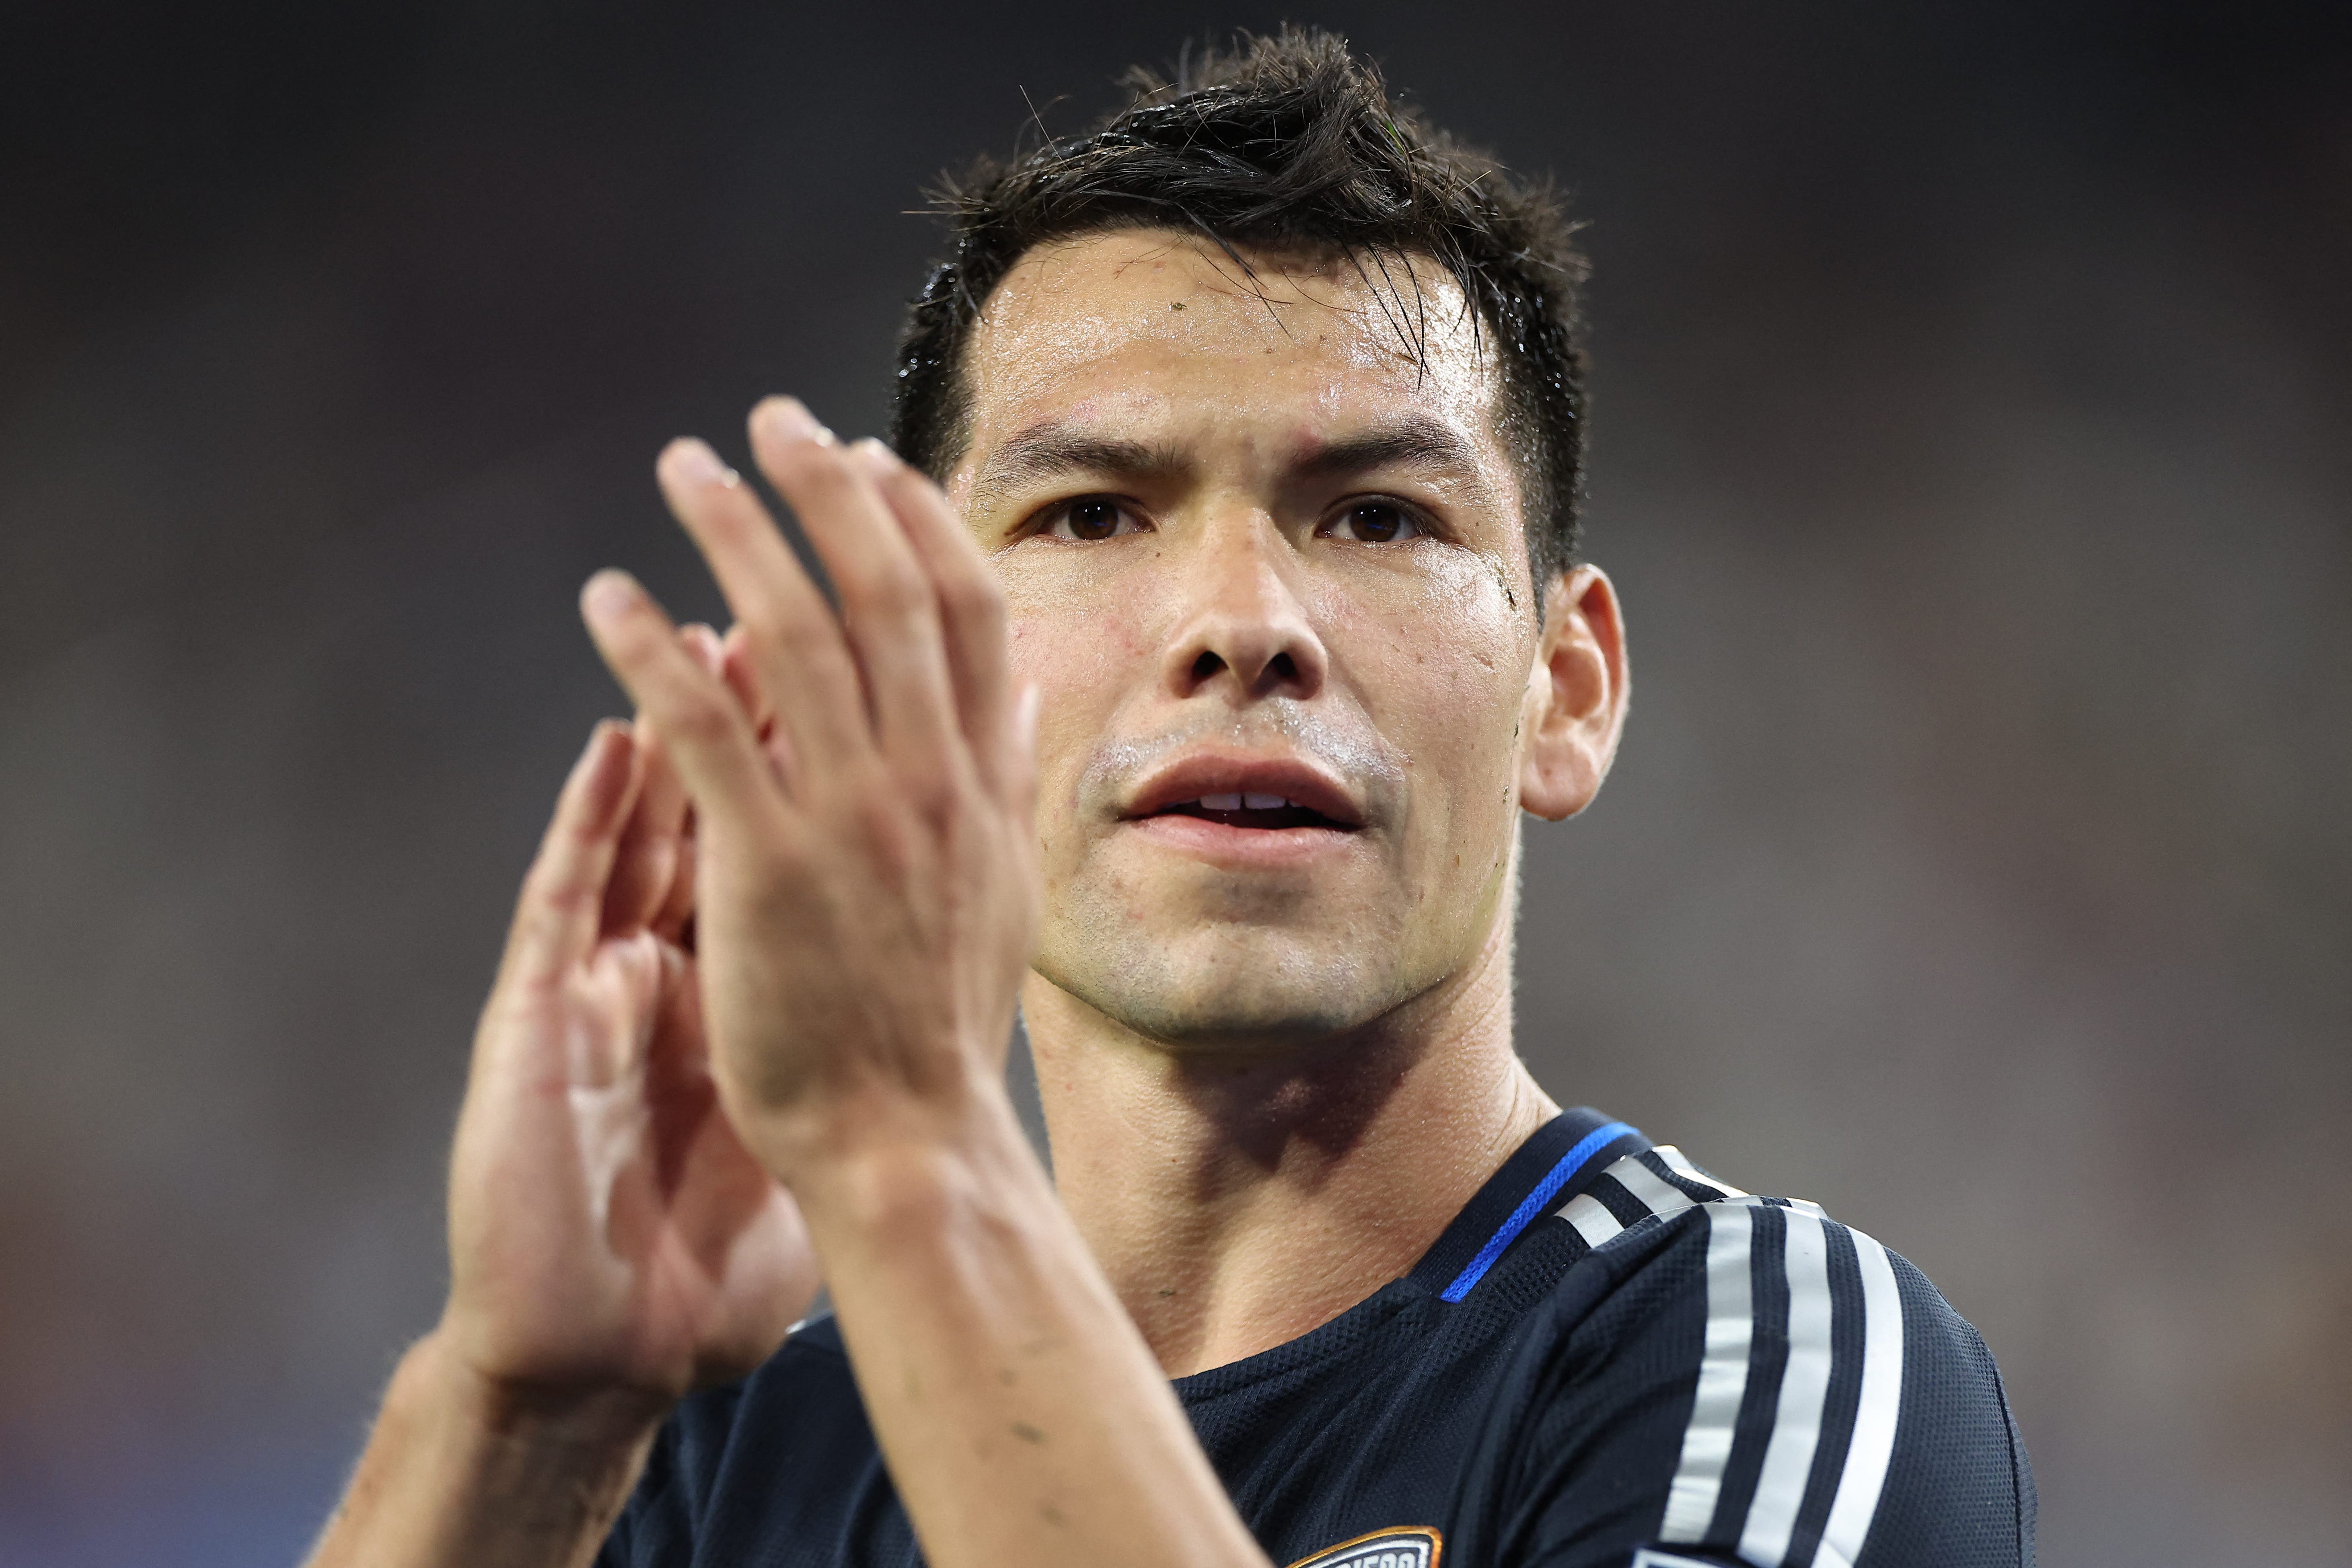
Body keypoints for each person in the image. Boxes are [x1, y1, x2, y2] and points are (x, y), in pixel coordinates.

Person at [304, 30, 2033, 1568]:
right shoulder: (735, 1457)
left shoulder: (1755, 1346)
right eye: (1091, 513)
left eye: (1378, 516)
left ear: (1563, 692)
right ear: (916, 680)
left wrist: (912, 1168)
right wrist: (525, 1413)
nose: (1243, 626)